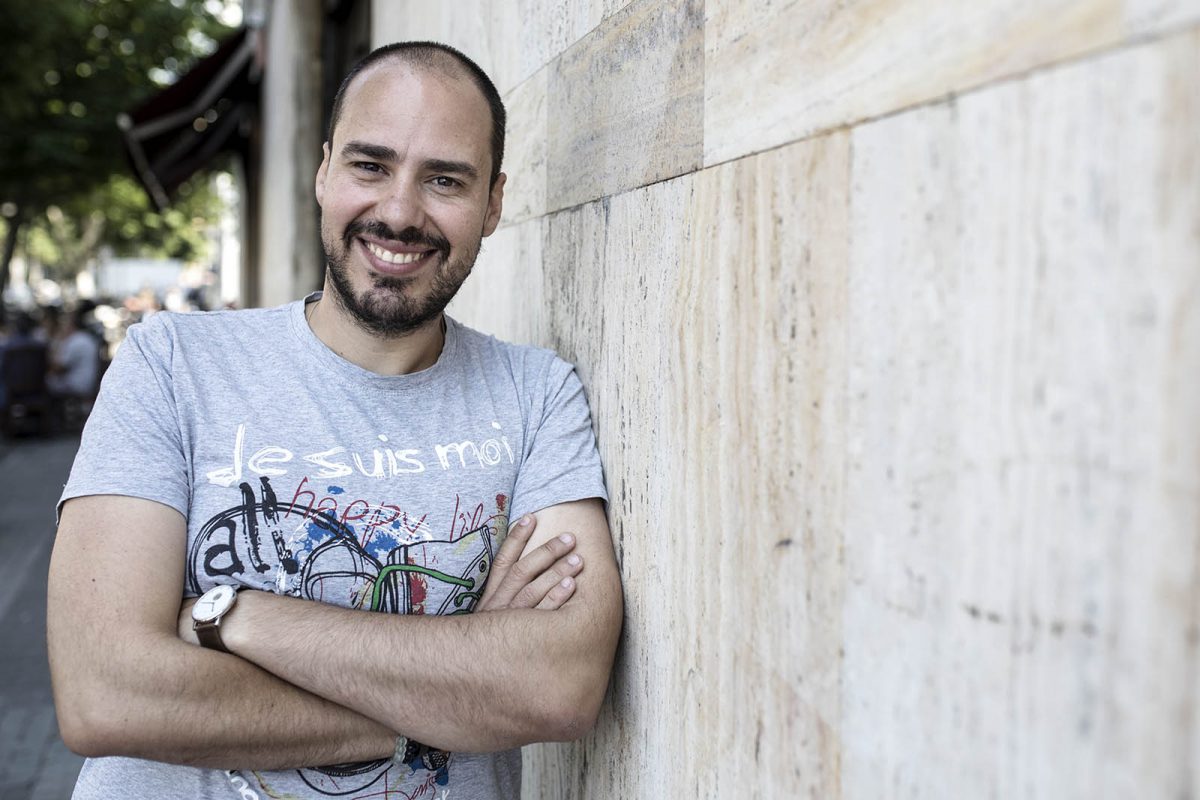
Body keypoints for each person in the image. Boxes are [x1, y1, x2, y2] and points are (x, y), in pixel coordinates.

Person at [47, 41, 623, 800]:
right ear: (323, 172)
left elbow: (558, 684)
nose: (398, 212)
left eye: (444, 179)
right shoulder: (172, 364)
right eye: (369, 166)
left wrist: (237, 617)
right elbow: (105, 693)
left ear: (493, 204)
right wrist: (450, 696)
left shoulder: (536, 395)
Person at [46, 306, 101, 403]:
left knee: (47, 382)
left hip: (76, 384)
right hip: (90, 383)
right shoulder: (88, 338)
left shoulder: (75, 340)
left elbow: (60, 368)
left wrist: (57, 342)